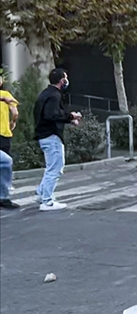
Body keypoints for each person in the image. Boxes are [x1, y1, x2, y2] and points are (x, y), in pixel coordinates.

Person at [34, 68, 82, 211]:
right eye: (66, 78)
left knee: (51, 167)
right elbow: (52, 115)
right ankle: (47, 201)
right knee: (56, 169)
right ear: (62, 81)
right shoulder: (55, 96)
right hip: (51, 136)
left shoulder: (45, 94)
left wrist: (68, 119)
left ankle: (42, 193)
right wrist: (71, 117)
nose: (67, 81)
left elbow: (51, 114)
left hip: (44, 135)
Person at [0, 75, 20, 209]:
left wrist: (12, 123)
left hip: (5, 133)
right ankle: (4, 196)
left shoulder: (6, 94)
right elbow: (15, 112)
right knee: (5, 162)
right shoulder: (5, 95)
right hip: (4, 134)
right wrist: (13, 122)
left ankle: (3, 196)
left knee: (4, 162)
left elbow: (15, 112)